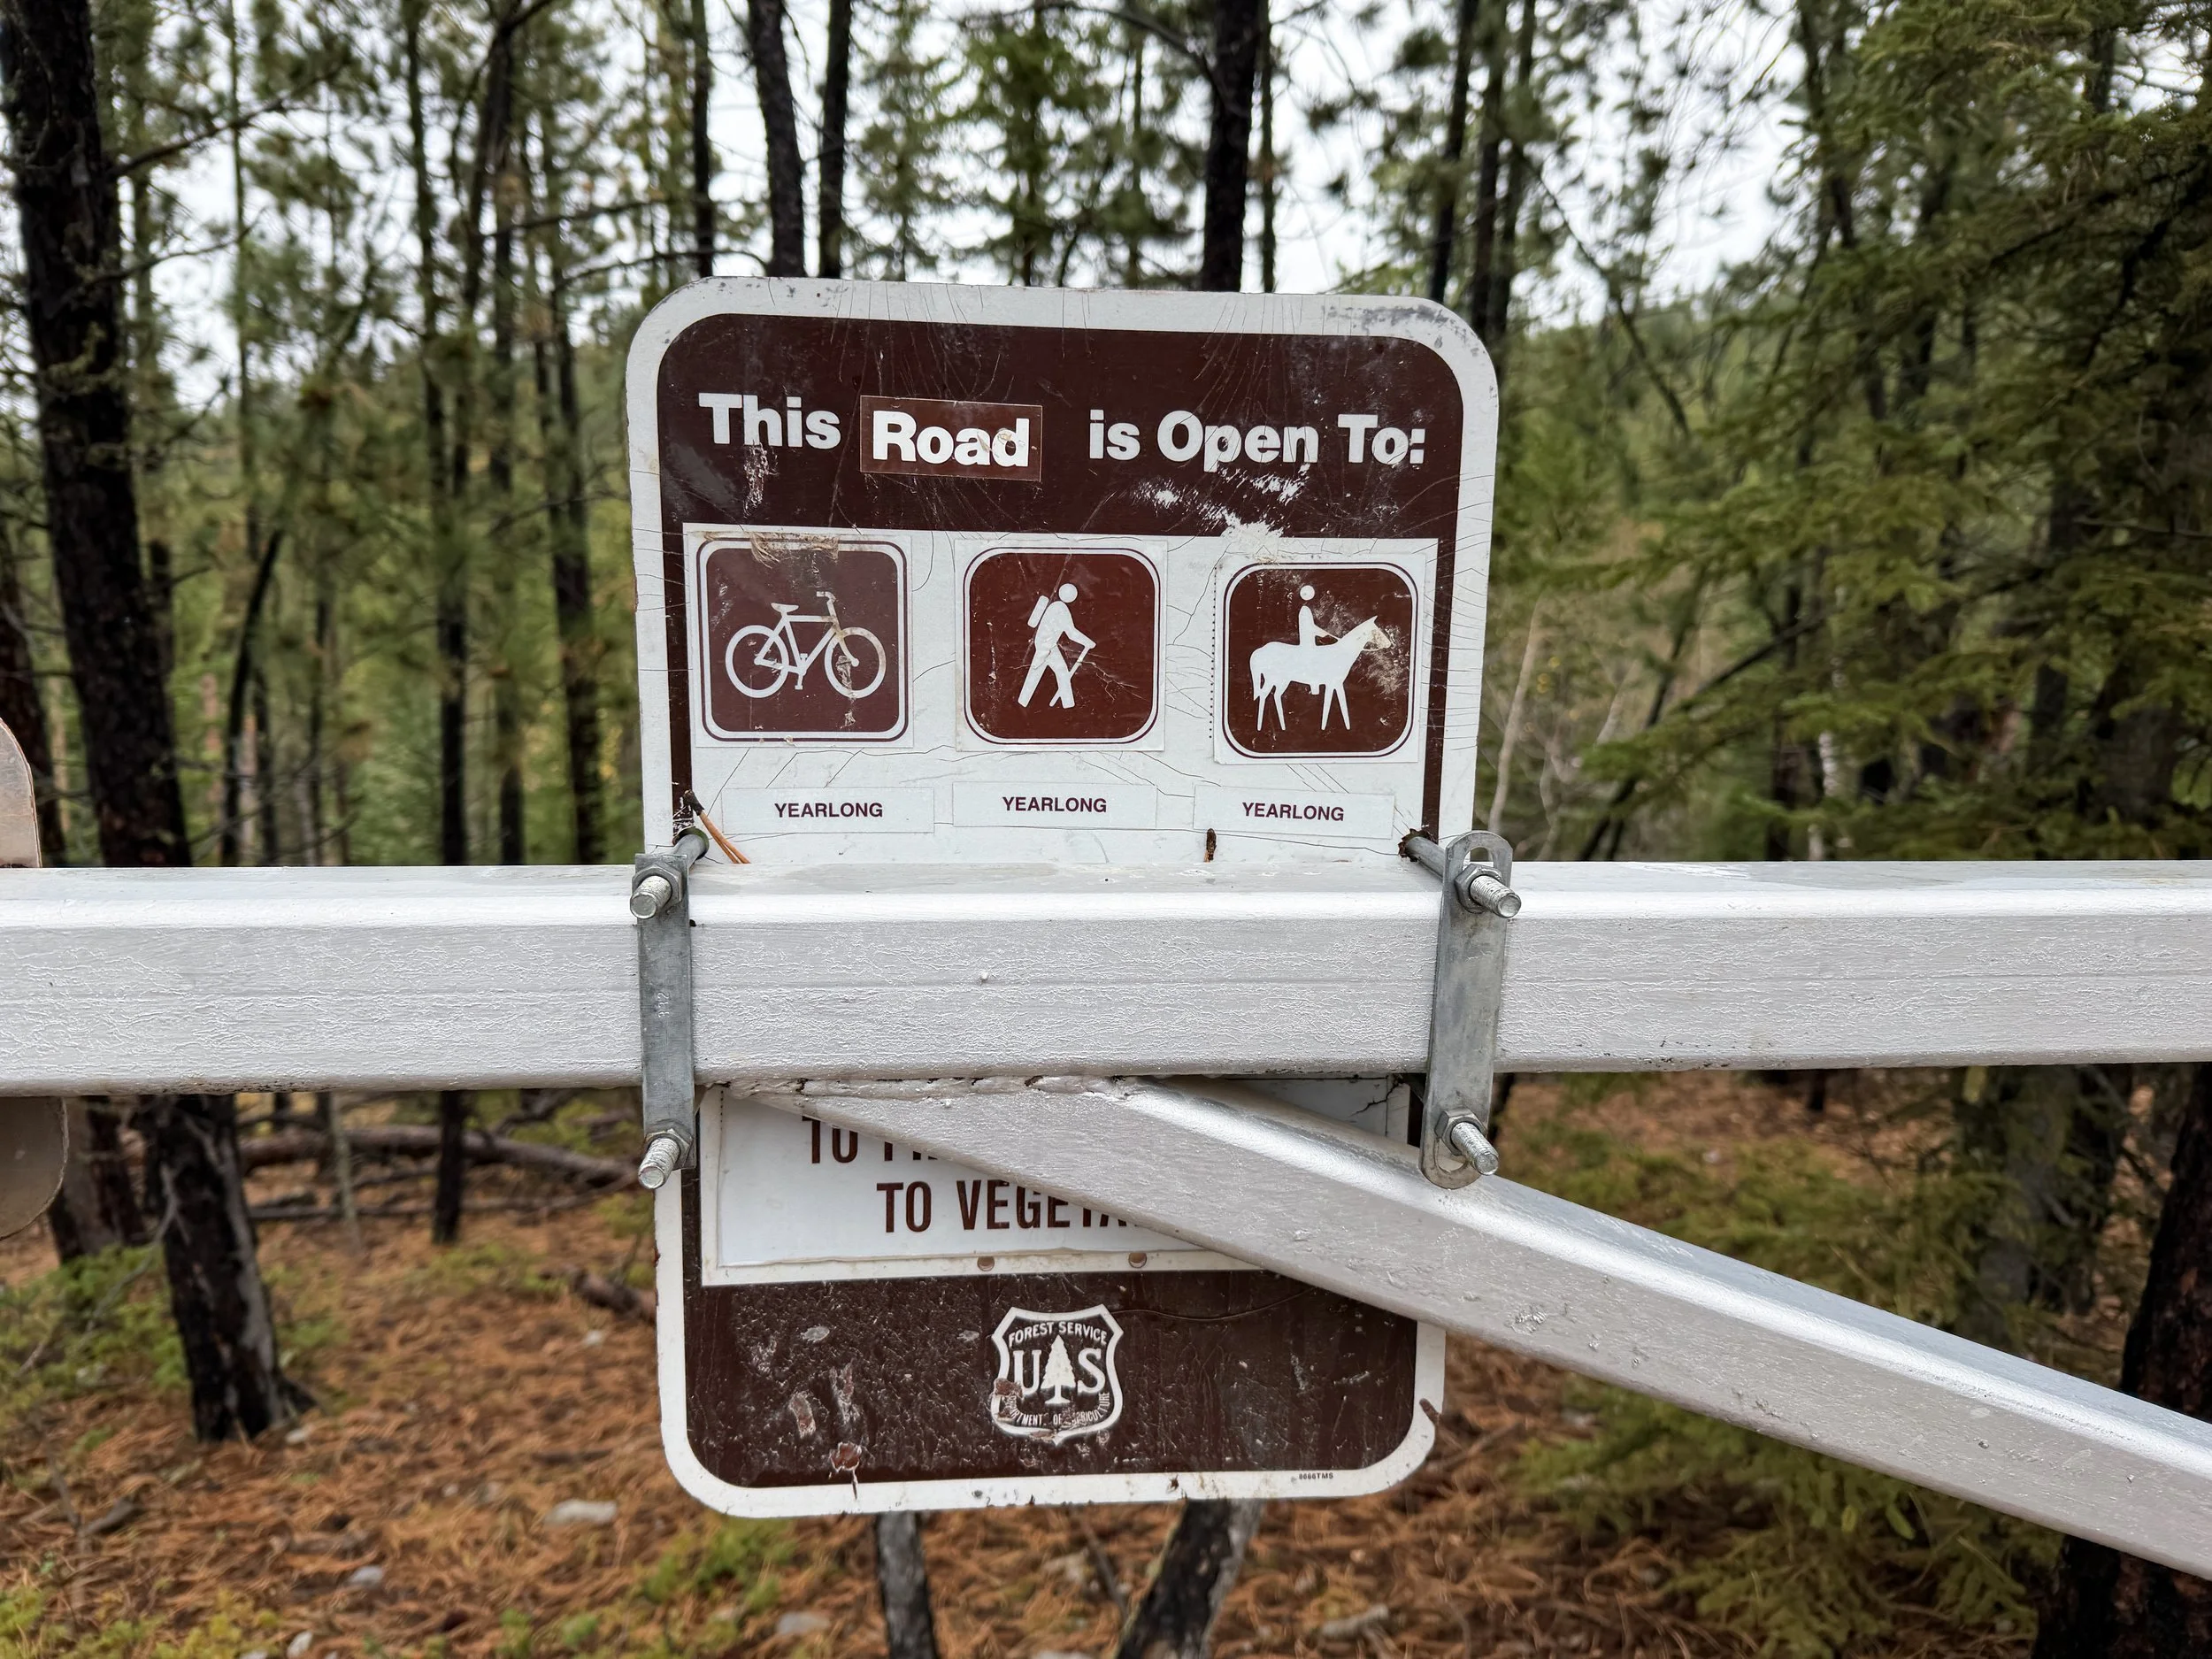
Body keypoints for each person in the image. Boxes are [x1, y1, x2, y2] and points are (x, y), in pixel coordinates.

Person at [1018, 583, 1095, 710]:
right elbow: (1071, 633)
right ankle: (1068, 704)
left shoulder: (1054, 606)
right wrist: (1088, 642)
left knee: (1047, 672)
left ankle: (1024, 701)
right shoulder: (1061, 609)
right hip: (1047, 646)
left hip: (1045, 644)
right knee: (1058, 672)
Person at [1296, 583, 1334, 649]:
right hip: (1308, 647)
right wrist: (1328, 636)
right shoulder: (1305, 610)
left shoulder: (1304, 610)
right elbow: (1311, 628)